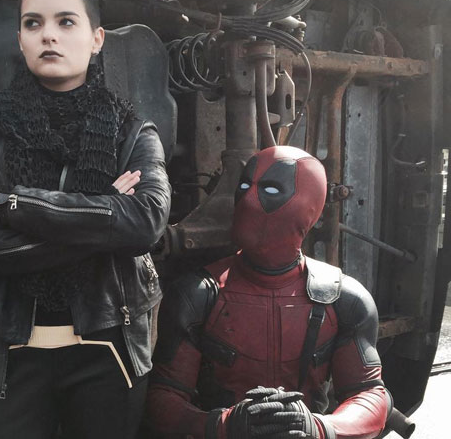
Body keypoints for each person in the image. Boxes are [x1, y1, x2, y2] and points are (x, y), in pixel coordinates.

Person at [0, 0, 171, 439]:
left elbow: (145, 222)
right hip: (11, 350)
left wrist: (13, 204)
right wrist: (100, 214)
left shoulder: (132, 131)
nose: (48, 35)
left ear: (96, 39)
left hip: (110, 349)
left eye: (66, 21)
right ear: (20, 39)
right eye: (33, 23)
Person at [146, 146, 388, 439]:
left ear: (310, 207)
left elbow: (372, 397)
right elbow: (161, 399)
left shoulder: (344, 299)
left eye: (271, 190)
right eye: (244, 187)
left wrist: (319, 427)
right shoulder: (197, 295)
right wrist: (222, 425)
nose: (248, 199)